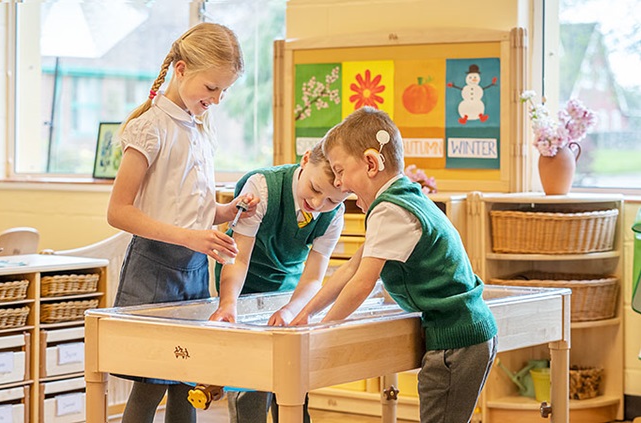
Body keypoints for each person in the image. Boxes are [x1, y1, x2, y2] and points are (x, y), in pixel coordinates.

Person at [291, 107, 498, 423]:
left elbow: (362, 282)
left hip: (455, 342)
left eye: (340, 170)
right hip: (466, 333)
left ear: (371, 163)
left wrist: (324, 331)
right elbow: (348, 270)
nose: (339, 183)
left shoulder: (389, 209)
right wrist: (306, 313)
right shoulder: (404, 196)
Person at [107, 23, 258, 423]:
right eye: (211, 88)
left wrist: (227, 211)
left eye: (224, 91)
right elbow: (119, 211)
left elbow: (192, 204)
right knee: (152, 380)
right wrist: (191, 236)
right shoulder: (150, 128)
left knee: (189, 379)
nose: (218, 99)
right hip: (155, 266)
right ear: (180, 68)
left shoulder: (199, 129)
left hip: (193, 267)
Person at [209, 141, 349, 423]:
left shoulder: (334, 215)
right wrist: (227, 304)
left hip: (289, 292)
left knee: (294, 387)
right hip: (242, 288)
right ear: (306, 159)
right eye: (316, 189)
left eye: (333, 200)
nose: (319, 203)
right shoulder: (261, 187)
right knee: (251, 387)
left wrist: (291, 310)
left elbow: (313, 277)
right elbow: (239, 258)